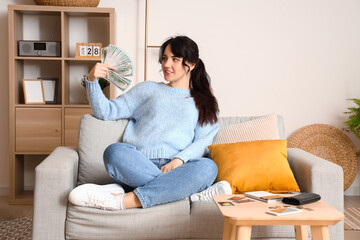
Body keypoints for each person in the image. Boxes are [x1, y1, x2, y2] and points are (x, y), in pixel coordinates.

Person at [68, 36, 231, 210]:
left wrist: (179, 160)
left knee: (208, 167)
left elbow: (204, 141)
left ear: (191, 64)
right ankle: (183, 193)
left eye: (175, 59)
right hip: (138, 165)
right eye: (164, 58)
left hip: (178, 169)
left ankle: (123, 200)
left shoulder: (203, 102)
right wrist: (92, 82)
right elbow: (106, 112)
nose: (166, 64)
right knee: (114, 151)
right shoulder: (147, 89)